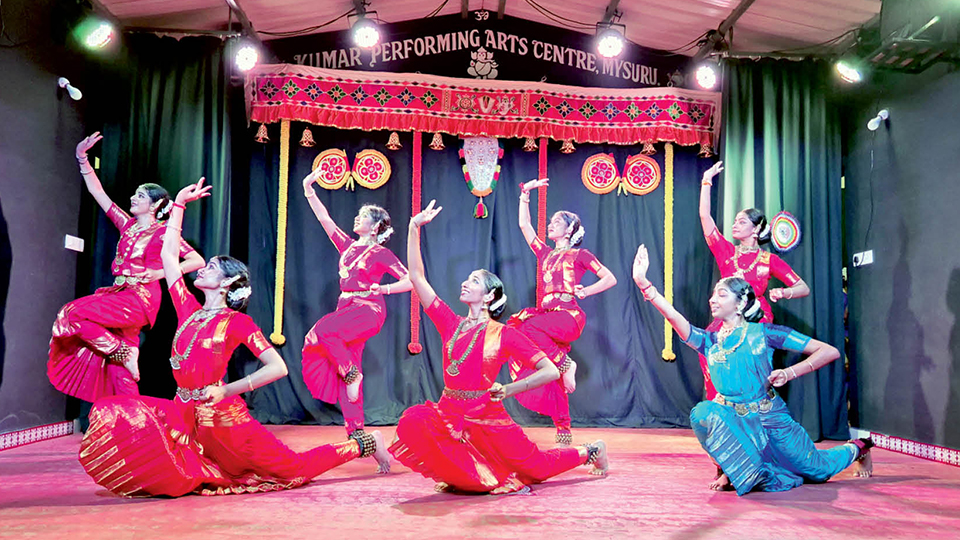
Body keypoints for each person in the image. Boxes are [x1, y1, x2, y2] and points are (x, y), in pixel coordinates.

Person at [78, 179, 390, 498]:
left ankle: (363, 444)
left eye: (211, 267)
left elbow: (277, 368)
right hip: (185, 415)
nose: (203, 268)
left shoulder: (237, 323)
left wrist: (226, 389)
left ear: (227, 283)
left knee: (294, 469)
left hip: (229, 426)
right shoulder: (188, 308)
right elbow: (170, 259)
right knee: (121, 415)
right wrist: (180, 206)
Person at [388, 200, 608, 495]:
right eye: (466, 280)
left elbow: (549, 370)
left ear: (489, 296)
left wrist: (509, 390)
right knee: (413, 421)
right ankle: (471, 474)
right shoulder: (449, 322)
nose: (465, 284)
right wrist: (414, 228)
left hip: (489, 419)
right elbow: (416, 277)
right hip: (450, 413)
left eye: (474, 281)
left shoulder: (504, 334)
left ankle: (589, 451)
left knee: (537, 468)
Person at [631, 243, 873, 495]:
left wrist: (789, 373)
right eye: (713, 294)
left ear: (740, 304)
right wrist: (643, 283)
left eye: (722, 294)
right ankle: (731, 470)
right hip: (736, 422)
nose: (712, 299)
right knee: (704, 413)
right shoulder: (709, 340)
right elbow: (673, 317)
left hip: (771, 419)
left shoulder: (766, 334)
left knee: (818, 470)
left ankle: (859, 447)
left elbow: (829, 351)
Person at [48, 132, 203, 401]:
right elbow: (98, 192)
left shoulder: (164, 233)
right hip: (119, 295)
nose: (133, 197)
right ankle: (135, 430)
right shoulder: (127, 224)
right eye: (135, 193)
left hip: (140, 299)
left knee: (72, 314)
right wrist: (82, 157)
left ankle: (123, 351)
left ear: (155, 205)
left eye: (140, 195)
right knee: (122, 374)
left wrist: (158, 273)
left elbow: (196, 261)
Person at [299, 169, 412, 439]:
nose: (356, 218)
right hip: (346, 309)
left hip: (368, 310)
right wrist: (308, 189)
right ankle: (357, 432)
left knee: (324, 332)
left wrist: (383, 288)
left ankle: (351, 375)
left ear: (374, 227)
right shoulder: (347, 246)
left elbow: (410, 281)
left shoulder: (381, 253)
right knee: (350, 366)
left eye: (362, 217)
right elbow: (324, 218)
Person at [507, 178, 617, 446]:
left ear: (569, 230)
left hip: (568, 315)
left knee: (525, 327)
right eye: (551, 221)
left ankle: (567, 364)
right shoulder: (544, 253)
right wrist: (525, 194)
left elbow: (610, 278)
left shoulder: (581, 255)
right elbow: (524, 225)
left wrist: (586, 291)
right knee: (553, 376)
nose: (551, 224)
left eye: (557, 221)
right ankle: (564, 433)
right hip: (548, 319)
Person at [698, 161, 810, 400]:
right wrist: (706, 180)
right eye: (734, 221)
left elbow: (803, 287)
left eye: (741, 222)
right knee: (707, 347)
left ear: (756, 228)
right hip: (728, 317)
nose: (734, 225)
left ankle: (755, 410)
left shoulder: (769, 260)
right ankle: (719, 406)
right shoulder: (726, 251)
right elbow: (705, 216)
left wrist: (783, 293)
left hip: (756, 317)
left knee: (751, 361)